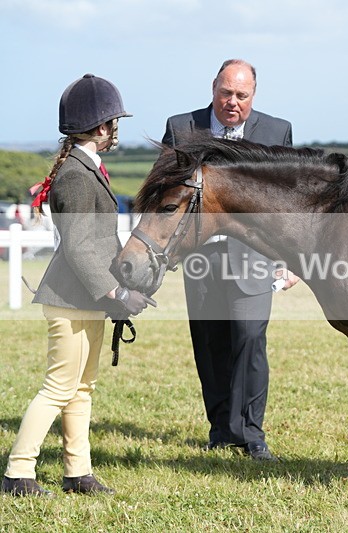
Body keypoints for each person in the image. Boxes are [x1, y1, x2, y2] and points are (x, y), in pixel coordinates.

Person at [2, 74, 155, 497]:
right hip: (71, 298)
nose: (115, 129)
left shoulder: (87, 168)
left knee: (82, 388)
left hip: (87, 297)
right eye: (113, 122)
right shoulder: (75, 175)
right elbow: (80, 246)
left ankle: (77, 470)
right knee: (57, 387)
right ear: (102, 126)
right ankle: (17, 472)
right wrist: (116, 293)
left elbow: (102, 241)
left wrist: (129, 278)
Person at [162, 59, 297, 461]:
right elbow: (166, 190)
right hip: (198, 255)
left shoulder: (276, 132)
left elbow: (286, 201)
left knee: (250, 338)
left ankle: (252, 433)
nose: (232, 102)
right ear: (213, 88)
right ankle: (221, 429)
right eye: (226, 93)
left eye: (242, 95)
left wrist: (290, 260)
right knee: (210, 343)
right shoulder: (182, 128)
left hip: (254, 254)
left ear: (253, 96)